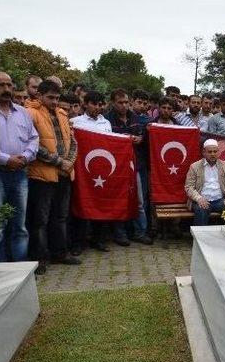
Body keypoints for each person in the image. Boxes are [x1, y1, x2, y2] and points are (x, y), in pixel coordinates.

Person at [26, 80, 80, 274]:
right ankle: (39, 258)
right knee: (40, 219)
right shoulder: (30, 114)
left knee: (61, 216)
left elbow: (73, 141)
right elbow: (33, 146)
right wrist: (59, 162)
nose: (55, 102)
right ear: (39, 96)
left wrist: (70, 161)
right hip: (41, 175)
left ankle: (60, 252)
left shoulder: (63, 114)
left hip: (64, 174)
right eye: (50, 97)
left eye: (57, 98)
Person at [0, 72, 39, 262]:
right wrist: (6, 159)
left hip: (20, 173)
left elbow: (34, 138)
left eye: (9, 85)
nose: (6, 89)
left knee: (19, 226)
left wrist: (25, 156)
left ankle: (21, 272)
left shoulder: (22, 112)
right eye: (1, 85)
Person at [105, 89, 152, 246]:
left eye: (126, 102)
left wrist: (141, 139)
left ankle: (140, 232)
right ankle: (120, 234)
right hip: (116, 167)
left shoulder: (138, 119)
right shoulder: (106, 121)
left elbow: (148, 139)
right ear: (113, 103)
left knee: (139, 201)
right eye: (120, 103)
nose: (124, 106)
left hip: (137, 164)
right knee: (119, 200)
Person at [68, 90, 112, 254]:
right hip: (82, 170)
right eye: (94, 104)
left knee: (101, 203)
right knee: (81, 203)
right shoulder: (75, 122)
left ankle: (98, 240)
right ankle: (78, 243)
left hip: (101, 169)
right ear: (85, 104)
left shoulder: (106, 123)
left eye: (100, 104)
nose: (97, 107)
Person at [185, 139, 225, 226]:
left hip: (220, 200)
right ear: (204, 152)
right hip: (201, 200)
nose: (213, 154)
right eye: (210, 152)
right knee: (201, 209)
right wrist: (199, 199)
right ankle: (200, 237)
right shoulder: (195, 166)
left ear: (219, 152)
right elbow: (189, 187)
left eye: (215, 151)